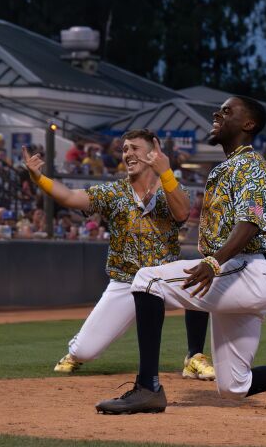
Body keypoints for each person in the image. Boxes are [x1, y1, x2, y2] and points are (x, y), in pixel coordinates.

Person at [95, 97, 266, 414]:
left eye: (227, 111)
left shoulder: (252, 166)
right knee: (234, 386)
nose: (216, 114)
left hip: (245, 270)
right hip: (237, 275)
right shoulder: (229, 166)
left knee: (146, 280)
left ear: (248, 125)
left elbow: (251, 221)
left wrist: (212, 260)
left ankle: (147, 387)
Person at [23, 131, 215, 381]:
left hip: (162, 279)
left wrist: (166, 172)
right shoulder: (113, 192)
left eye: (134, 148)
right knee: (84, 350)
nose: (127, 154)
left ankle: (194, 356)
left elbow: (181, 213)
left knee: (199, 273)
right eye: (125, 149)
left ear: (152, 154)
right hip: (126, 281)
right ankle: (75, 354)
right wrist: (39, 178)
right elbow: (71, 197)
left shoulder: (171, 188)